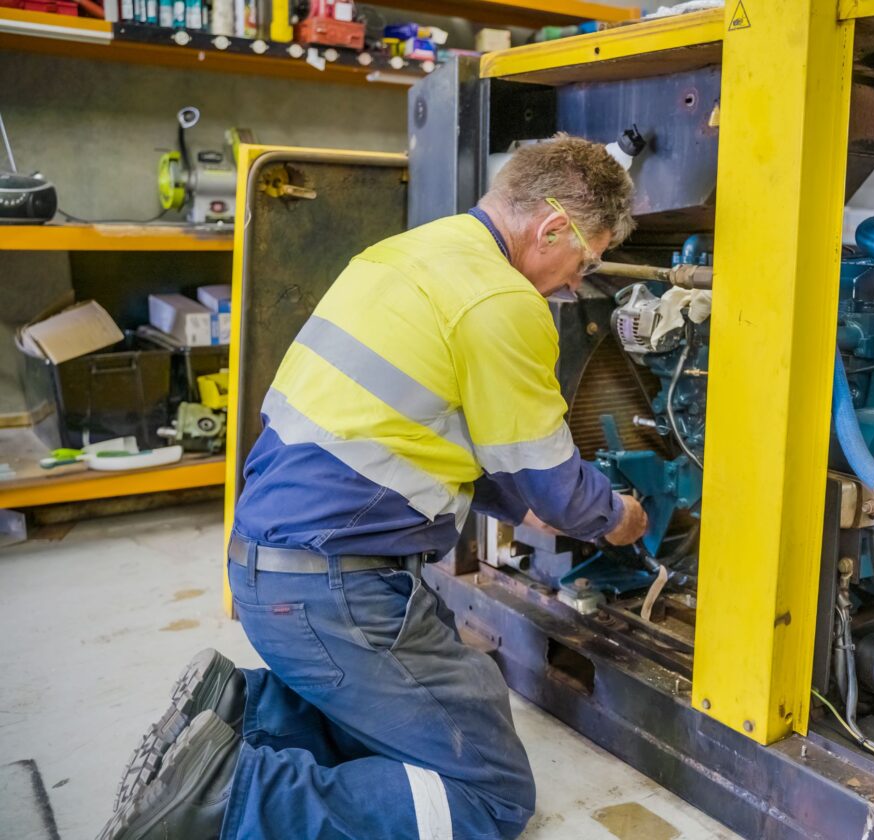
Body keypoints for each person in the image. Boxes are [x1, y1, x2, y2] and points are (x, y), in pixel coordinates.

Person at [101, 135, 649, 840]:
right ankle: (228, 795)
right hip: (335, 591)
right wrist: (617, 516)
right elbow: (556, 483)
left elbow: (423, 433)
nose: (577, 282)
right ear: (551, 228)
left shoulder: (404, 254)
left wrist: (527, 504)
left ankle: (239, 712)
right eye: (586, 258)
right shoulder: (501, 301)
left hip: (269, 565)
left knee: (472, 692)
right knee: (490, 797)